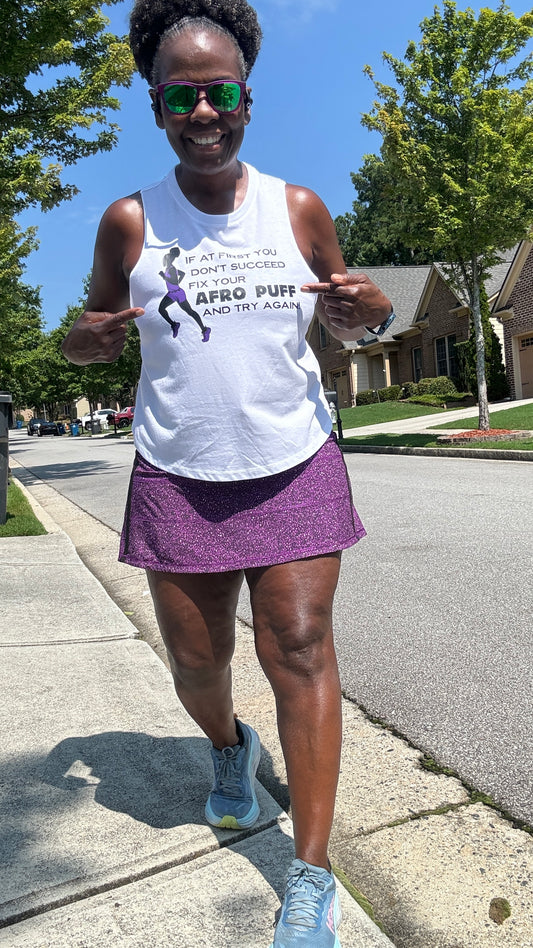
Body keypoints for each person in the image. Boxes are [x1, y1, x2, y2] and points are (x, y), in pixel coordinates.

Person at [62, 1, 393, 944]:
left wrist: (366, 313)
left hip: (292, 460)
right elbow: (91, 335)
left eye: (219, 93)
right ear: (155, 105)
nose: (202, 112)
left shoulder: (297, 208)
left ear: (247, 97)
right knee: (197, 665)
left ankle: (311, 874)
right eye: (181, 96)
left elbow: (350, 315)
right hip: (177, 471)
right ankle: (228, 746)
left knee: (299, 647)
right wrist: (83, 344)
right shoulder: (128, 222)